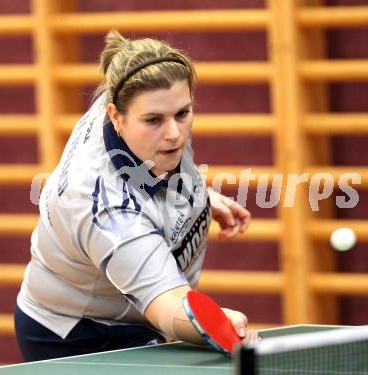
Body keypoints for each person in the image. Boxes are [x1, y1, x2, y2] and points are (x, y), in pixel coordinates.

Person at [14, 30, 257, 362]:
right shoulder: (105, 207)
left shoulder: (141, 105)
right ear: (116, 116)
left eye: (183, 114)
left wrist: (200, 196)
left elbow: (154, 173)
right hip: (77, 334)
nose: (173, 133)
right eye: (154, 120)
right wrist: (216, 324)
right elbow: (167, 305)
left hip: (125, 309)